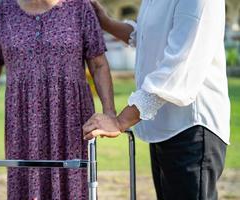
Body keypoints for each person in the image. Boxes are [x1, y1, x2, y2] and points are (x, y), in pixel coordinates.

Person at [83, 0, 230, 199]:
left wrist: (120, 121)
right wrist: (106, 22)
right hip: (164, 126)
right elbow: (145, 35)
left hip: (192, 128)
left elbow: (177, 69)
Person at [0, 0, 116, 199]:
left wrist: (110, 113)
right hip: (22, 119)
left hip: (70, 117)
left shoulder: (80, 7)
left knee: (72, 186)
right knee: (24, 182)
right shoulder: (4, 10)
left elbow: (99, 64)